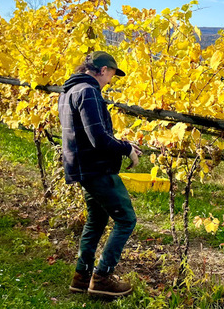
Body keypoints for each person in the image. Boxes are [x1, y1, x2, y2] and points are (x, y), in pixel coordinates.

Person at [58, 51, 142, 298]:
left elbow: (86, 134)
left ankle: (81, 277)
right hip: (97, 169)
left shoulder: (68, 92)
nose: (111, 81)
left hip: (82, 167)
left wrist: (121, 143)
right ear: (103, 70)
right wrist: (126, 148)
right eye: (112, 75)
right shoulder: (88, 91)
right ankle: (102, 278)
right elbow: (97, 139)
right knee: (126, 219)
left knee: (96, 220)